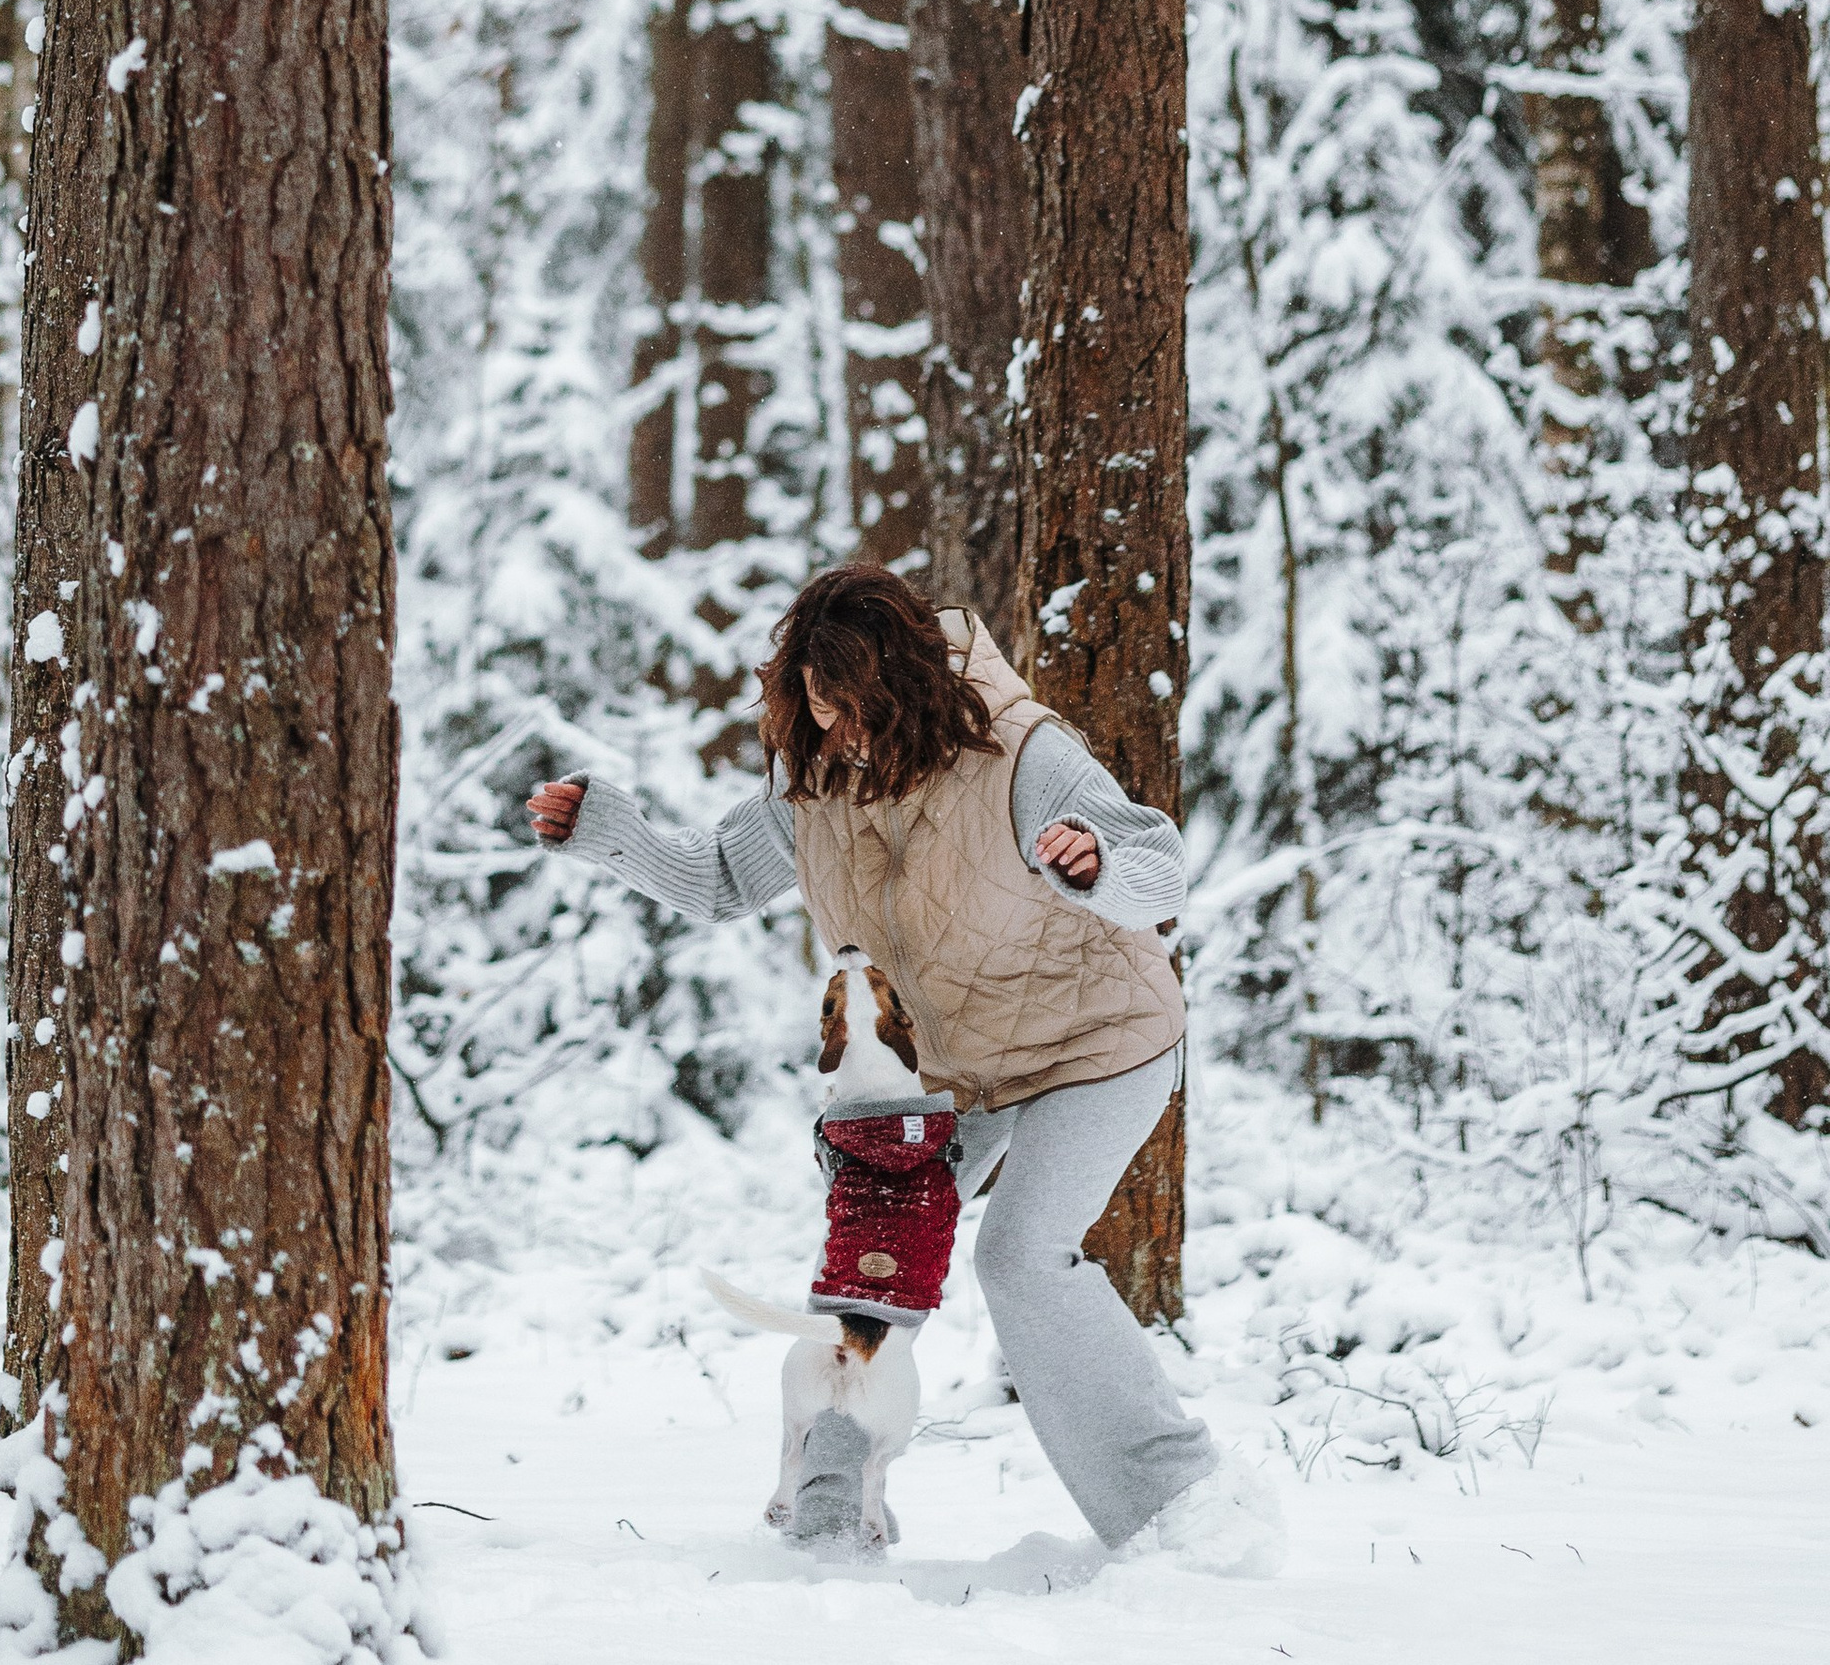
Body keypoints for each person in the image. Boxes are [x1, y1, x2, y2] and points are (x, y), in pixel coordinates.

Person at [525, 561, 1281, 1573]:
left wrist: (1099, 864)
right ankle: (830, 1516)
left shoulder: (1020, 754)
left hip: (1095, 1042)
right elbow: (714, 879)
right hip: (950, 1079)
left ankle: (1182, 1511)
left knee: (1020, 1258)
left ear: (911, 686)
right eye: (819, 707)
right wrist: (605, 832)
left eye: (855, 709)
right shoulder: (811, 778)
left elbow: (1160, 864)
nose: (836, 733)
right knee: (870, 1267)